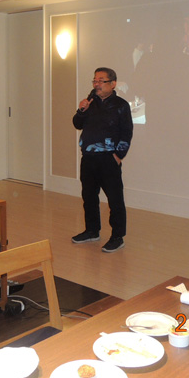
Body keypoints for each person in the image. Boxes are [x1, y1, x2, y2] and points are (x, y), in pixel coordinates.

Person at [71, 67, 133, 253]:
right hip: (88, 158)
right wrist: (81, 110)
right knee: (89, 197)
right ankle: (92, 231)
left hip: (108, 160)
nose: (96, 84)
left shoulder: (121, 105)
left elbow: (127, 133)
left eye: (101, 81)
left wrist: (118, 155)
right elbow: (77, 124)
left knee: (115, 200)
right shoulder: (90, 103)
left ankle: (117, 237)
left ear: (112, 84)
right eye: (95, 80)